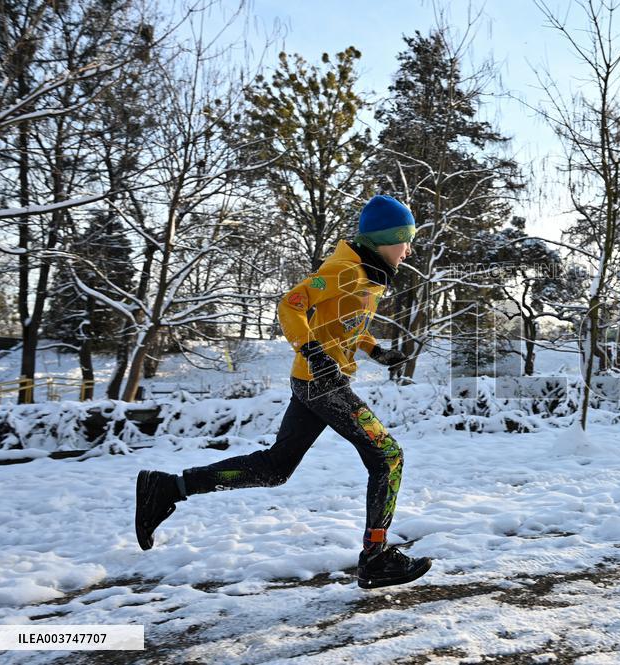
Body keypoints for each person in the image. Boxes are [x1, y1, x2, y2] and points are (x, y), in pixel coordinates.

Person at [134, 194, 431, 590]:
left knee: (276, 468)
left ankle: (168, 487)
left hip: (316, 381)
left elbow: (345, 323)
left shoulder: (367, 274)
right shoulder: (345, 271)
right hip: (321, 382)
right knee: (388, 456)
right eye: (404, 239)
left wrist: (376, 350)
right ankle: (376, 557)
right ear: (382, 240)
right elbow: (290, 305)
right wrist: (309, 349)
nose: (408, 249)